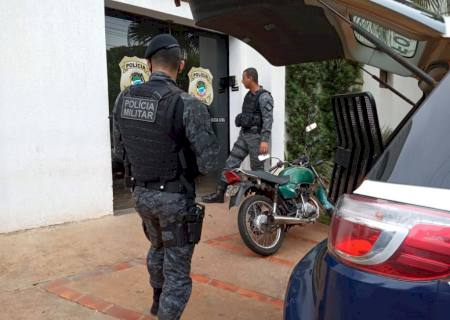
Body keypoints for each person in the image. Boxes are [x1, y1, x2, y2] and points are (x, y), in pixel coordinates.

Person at [112, 34, 219, 320]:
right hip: (174, 199)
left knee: (157, 246)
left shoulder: (123, 98)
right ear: (181, 66)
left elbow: (119, 152)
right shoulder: (188, 104)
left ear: (148, 64)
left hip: (141, 196)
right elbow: (209, 161)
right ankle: (165, 313)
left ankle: (157, 301)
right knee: (177, 270)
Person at [201, 68, 274, 203]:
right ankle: (219, 194)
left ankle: (261, 201)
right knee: (230, 164)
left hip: (256, 139)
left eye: (244, 78)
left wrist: (264, 140)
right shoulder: (248, 96)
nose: (242, 80)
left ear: (250, 78)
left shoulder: (264, 97)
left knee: (257, 171)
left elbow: (268, 119)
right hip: (244, 136)